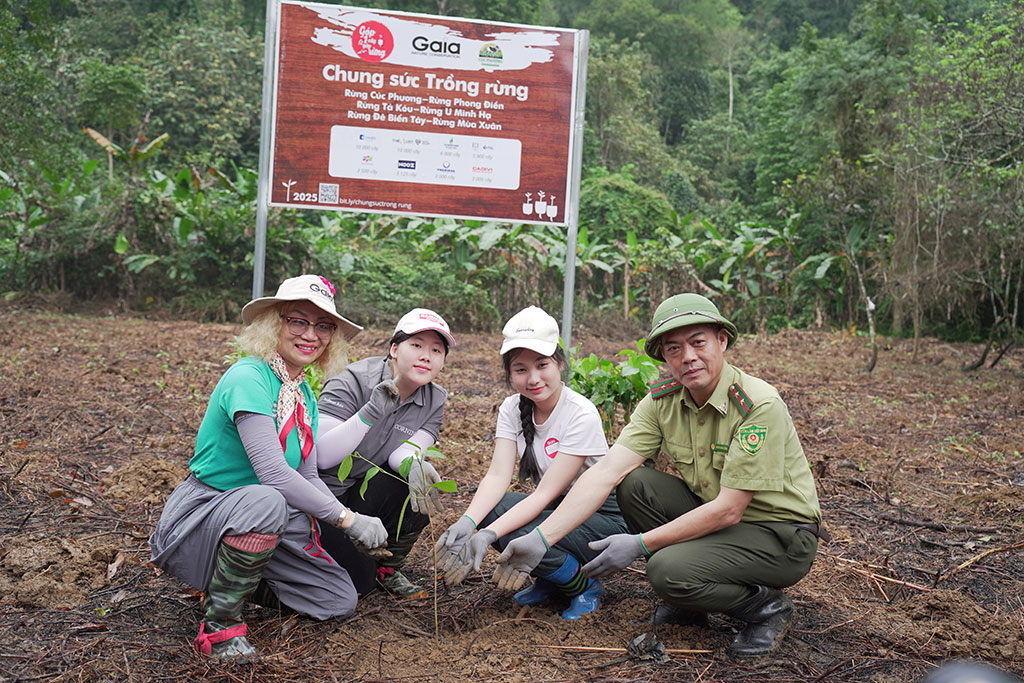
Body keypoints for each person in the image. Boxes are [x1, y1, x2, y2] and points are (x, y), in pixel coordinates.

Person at [493, 294, 827, 658]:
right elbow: (606, 472)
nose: (688, 357)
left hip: (779, 534)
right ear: (664, 357)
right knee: (636, 485)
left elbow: (730, 509)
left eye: (698, 342)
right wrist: (543, 538)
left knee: (666, 571)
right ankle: (690, 603)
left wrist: (640, 544)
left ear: (722, 340)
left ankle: (765, 608)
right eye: (673, 349)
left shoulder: (757, 404)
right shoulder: (662, 403)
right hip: (718, 519)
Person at [149, 274, 390, 660]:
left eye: (323, 326)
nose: (311, 334)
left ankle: (230, 582)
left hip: (265, 522)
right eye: (298, 321)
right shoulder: (248, 377)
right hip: (210, 511)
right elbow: (274, 474)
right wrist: (347, 519)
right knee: (268, 499)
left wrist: (349, 523)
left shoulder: (302, 394)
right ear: (273, 323)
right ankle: (221, 626)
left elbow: (308, 475)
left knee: (337, 600)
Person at [435, 306, 627, 620]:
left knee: (506, 530)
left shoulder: (580, 413)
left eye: (542, 365)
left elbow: (544, 495)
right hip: (556, 507)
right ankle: (553, 579)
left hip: (600, 514)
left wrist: (488, 535)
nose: (533, 378)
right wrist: (467, 523)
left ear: (560, 363)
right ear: (509, 374)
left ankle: (582, 586)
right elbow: (497, 476)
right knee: (492, 511)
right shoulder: (512, 408)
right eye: (521, 369)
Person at [314, 308, 455, 598]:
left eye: (436, 350)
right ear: (394, 348)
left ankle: (388, 568)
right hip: (320, 496)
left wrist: (414, 466)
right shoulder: (351, 380)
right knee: (357, 586)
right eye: (416, 346)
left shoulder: (434, 399)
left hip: (362, 490)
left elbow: (403, 454)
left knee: (418, 482)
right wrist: (370, 412)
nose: (426, 356)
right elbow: (323, 457)